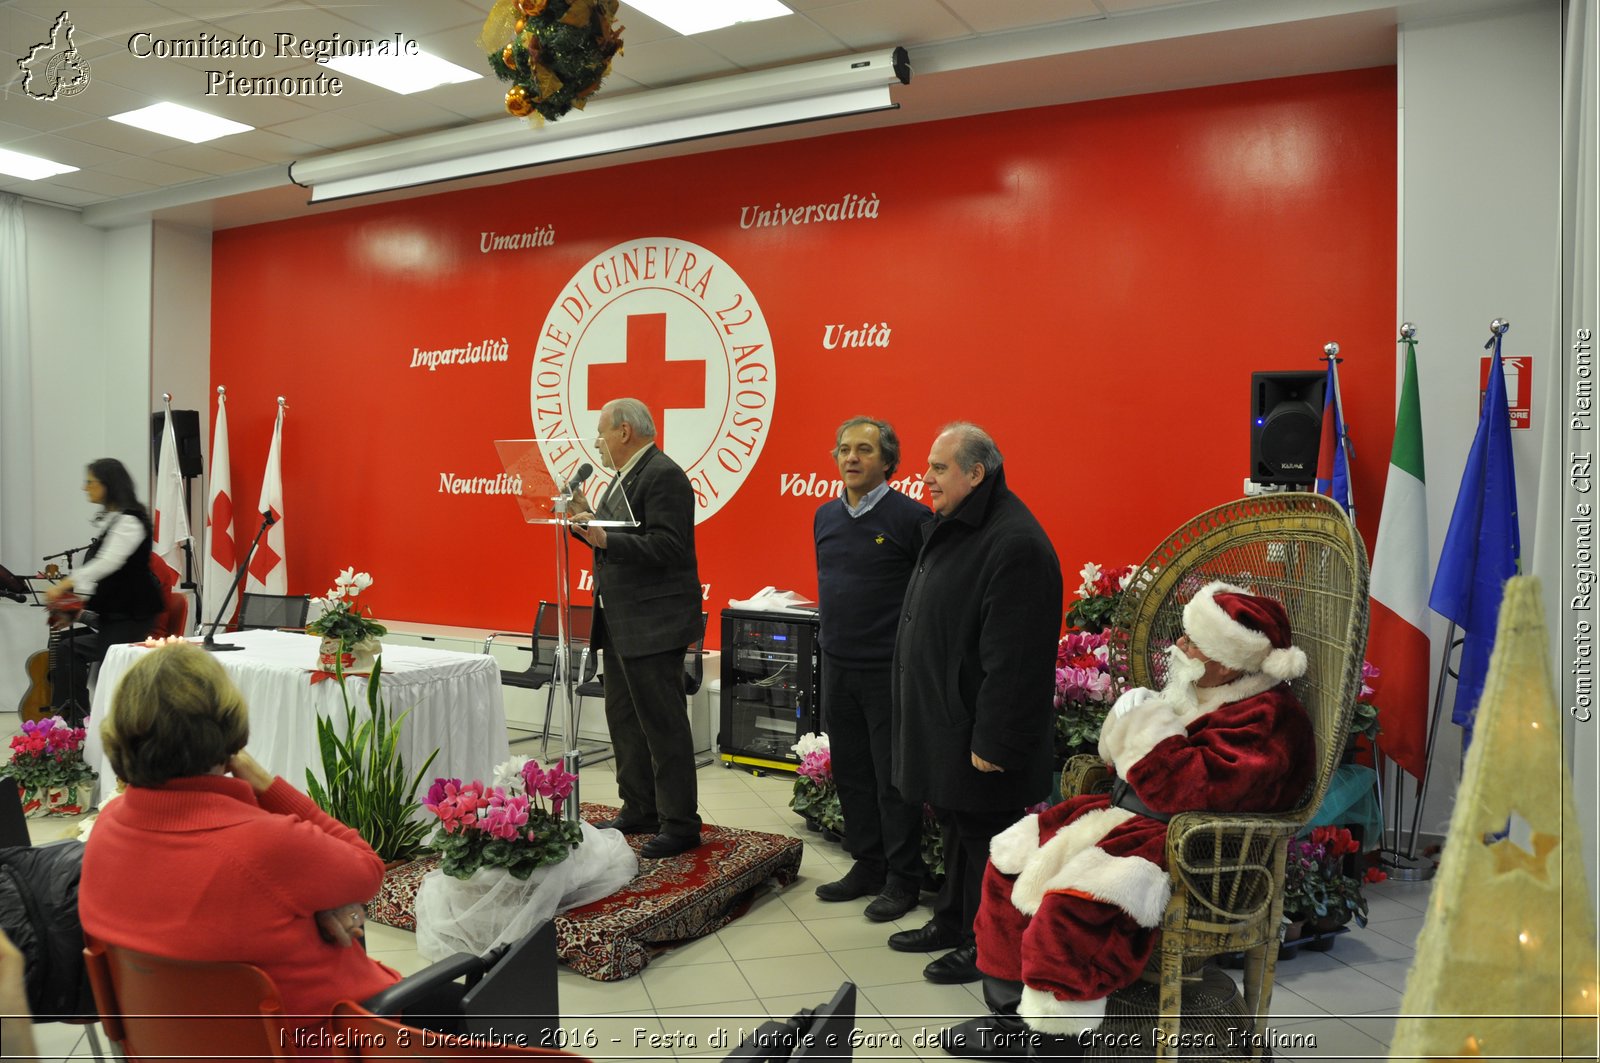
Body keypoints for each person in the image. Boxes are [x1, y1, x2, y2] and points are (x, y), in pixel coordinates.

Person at [948, 582, 1317, 1058]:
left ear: (1225, 659)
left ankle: (1059, 1040)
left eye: (1191, 642)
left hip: (1196, 849)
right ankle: (1011, 1013)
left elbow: (1189, 789)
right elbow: (1127, 763)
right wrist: (1130, 721)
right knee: (1011, 856)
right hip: (1132, 815)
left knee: (1076, 903)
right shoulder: (1203, 686)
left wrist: (1145, 725)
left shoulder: (1270, 719)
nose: (1179, 648)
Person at [78, 641, 401, 1040]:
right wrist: (265, 783)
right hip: (333, 1041)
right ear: (228, 734)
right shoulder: (265, 845)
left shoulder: (108, 827)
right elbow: (368, 868)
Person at [889, 423, 1062, 985]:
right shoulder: (961, 525)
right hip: (951, 724)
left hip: (982, 736)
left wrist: (994, 741)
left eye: (939, 468)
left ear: (975, 473)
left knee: (989, 844)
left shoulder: (1015, 543)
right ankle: (951, 921)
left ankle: (984, 947)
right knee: (960, 831)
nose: (927, 477)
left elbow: (1014, 662)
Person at [571, 397, 705, 859]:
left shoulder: (663, 474)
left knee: (662, 727)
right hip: (621, 620)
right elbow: (616, 538)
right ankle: (640, 807)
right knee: (624, 721)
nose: (598, 443)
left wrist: (606, 537)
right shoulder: (621, 479)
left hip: (655, 623)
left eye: (602, 432)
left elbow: (669, 545)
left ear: (624, 431)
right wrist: (584, 521)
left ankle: (681, 823)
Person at [812, 416, 930, 920]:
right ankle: (868, 863)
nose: (852, 458)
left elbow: (928, 596)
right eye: (844, 449)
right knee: (854, 772)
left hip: (888, 671)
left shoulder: (912, 518)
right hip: (837, 664)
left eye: (864, 449)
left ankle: (904, 878)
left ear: (888, 461)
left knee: (892, 778)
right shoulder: (824, 517)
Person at [45, 458, 163, 725]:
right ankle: (77, 721)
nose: (84, 488)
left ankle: (110, 727)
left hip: (133, 613)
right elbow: (97, 572)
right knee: (67, 649)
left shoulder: (131, 521)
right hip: (115, 613)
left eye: (90, 482)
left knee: (109, 676)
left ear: (108, 485)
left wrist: (65, 585)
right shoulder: (115, 519)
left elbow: (108, 563)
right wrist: (72, 607)